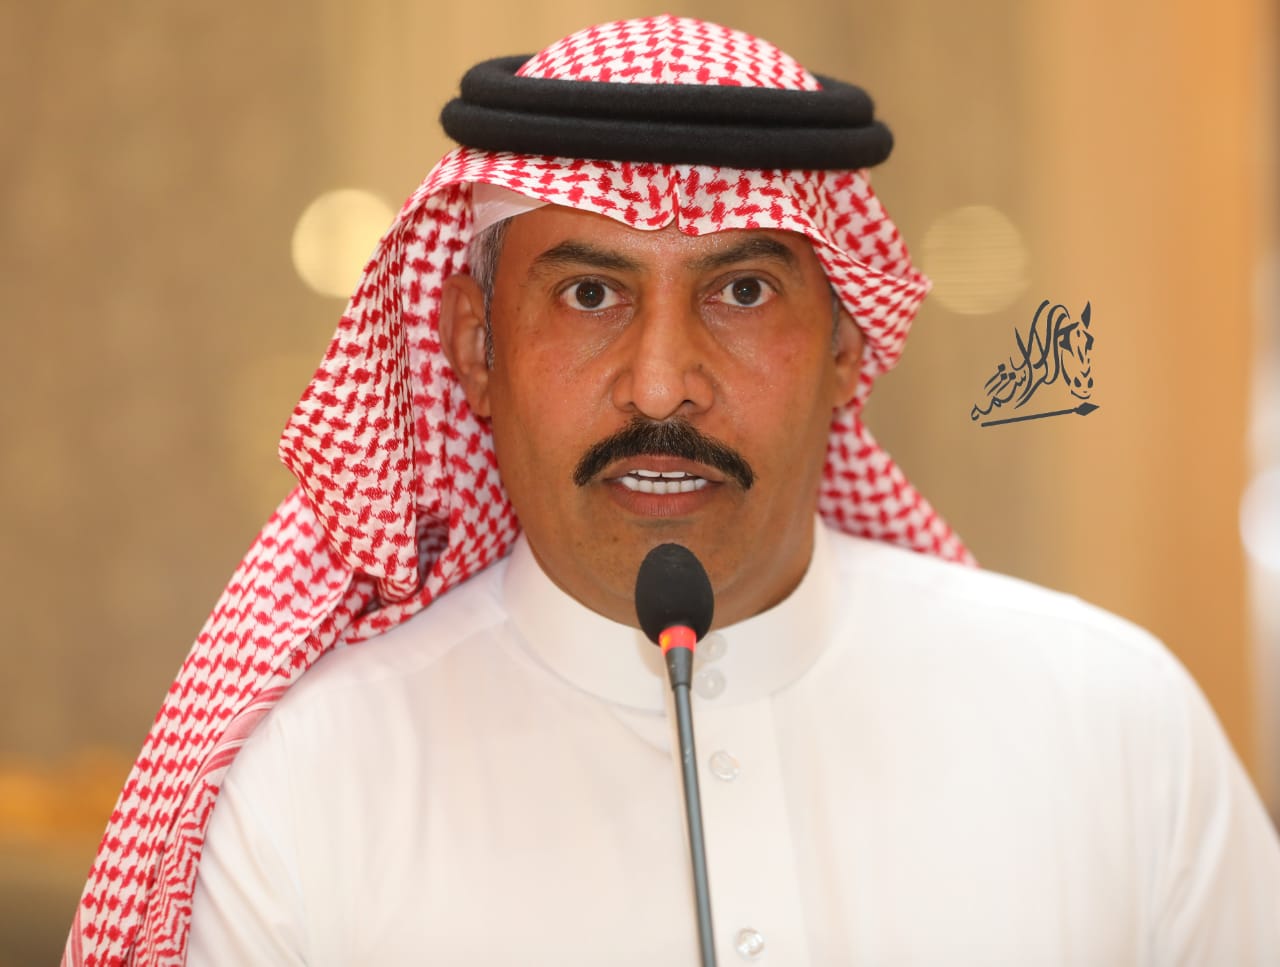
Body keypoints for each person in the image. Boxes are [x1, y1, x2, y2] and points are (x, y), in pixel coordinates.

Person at [65, 15, 1280, 967]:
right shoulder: (313, 791)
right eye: (589, 294)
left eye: (740, 292)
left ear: (845, 344)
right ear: (475, 348)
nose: (662, 382)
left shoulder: (1108, 726)